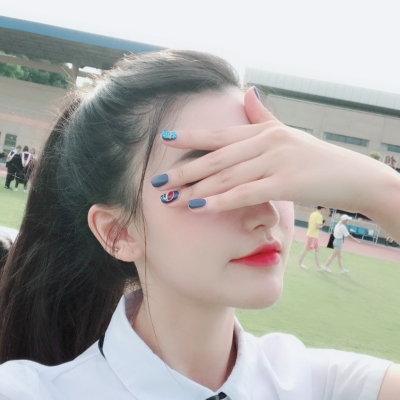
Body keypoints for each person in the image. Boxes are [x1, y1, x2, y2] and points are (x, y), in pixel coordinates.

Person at [0, 50, 399, 399]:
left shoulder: (316, 385)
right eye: (209, 177)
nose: (267, 213)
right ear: (117, 232)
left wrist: (378, 189)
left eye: (266, 170)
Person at [297, 206, 328, 271]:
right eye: (324, 209)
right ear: (322, 209)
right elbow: (317, 226)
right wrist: (322, 225)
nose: (324, 211)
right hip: (313, 235)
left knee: (317, 250)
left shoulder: (313, 214)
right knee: (306, 249)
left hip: (312, 234)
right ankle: (300, 263)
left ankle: (318, 266)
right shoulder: (319, 215)